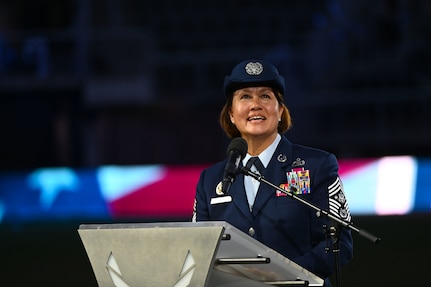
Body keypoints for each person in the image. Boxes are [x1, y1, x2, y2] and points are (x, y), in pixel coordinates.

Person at [192, 59, 353, 286]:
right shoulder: (210, 180)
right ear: (231, 114)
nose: (255, 104)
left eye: (265, 96)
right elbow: (199, 248)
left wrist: (284, 277)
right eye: (245, 96)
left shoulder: (317, 165)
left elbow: (338, 244)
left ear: (280, 111)